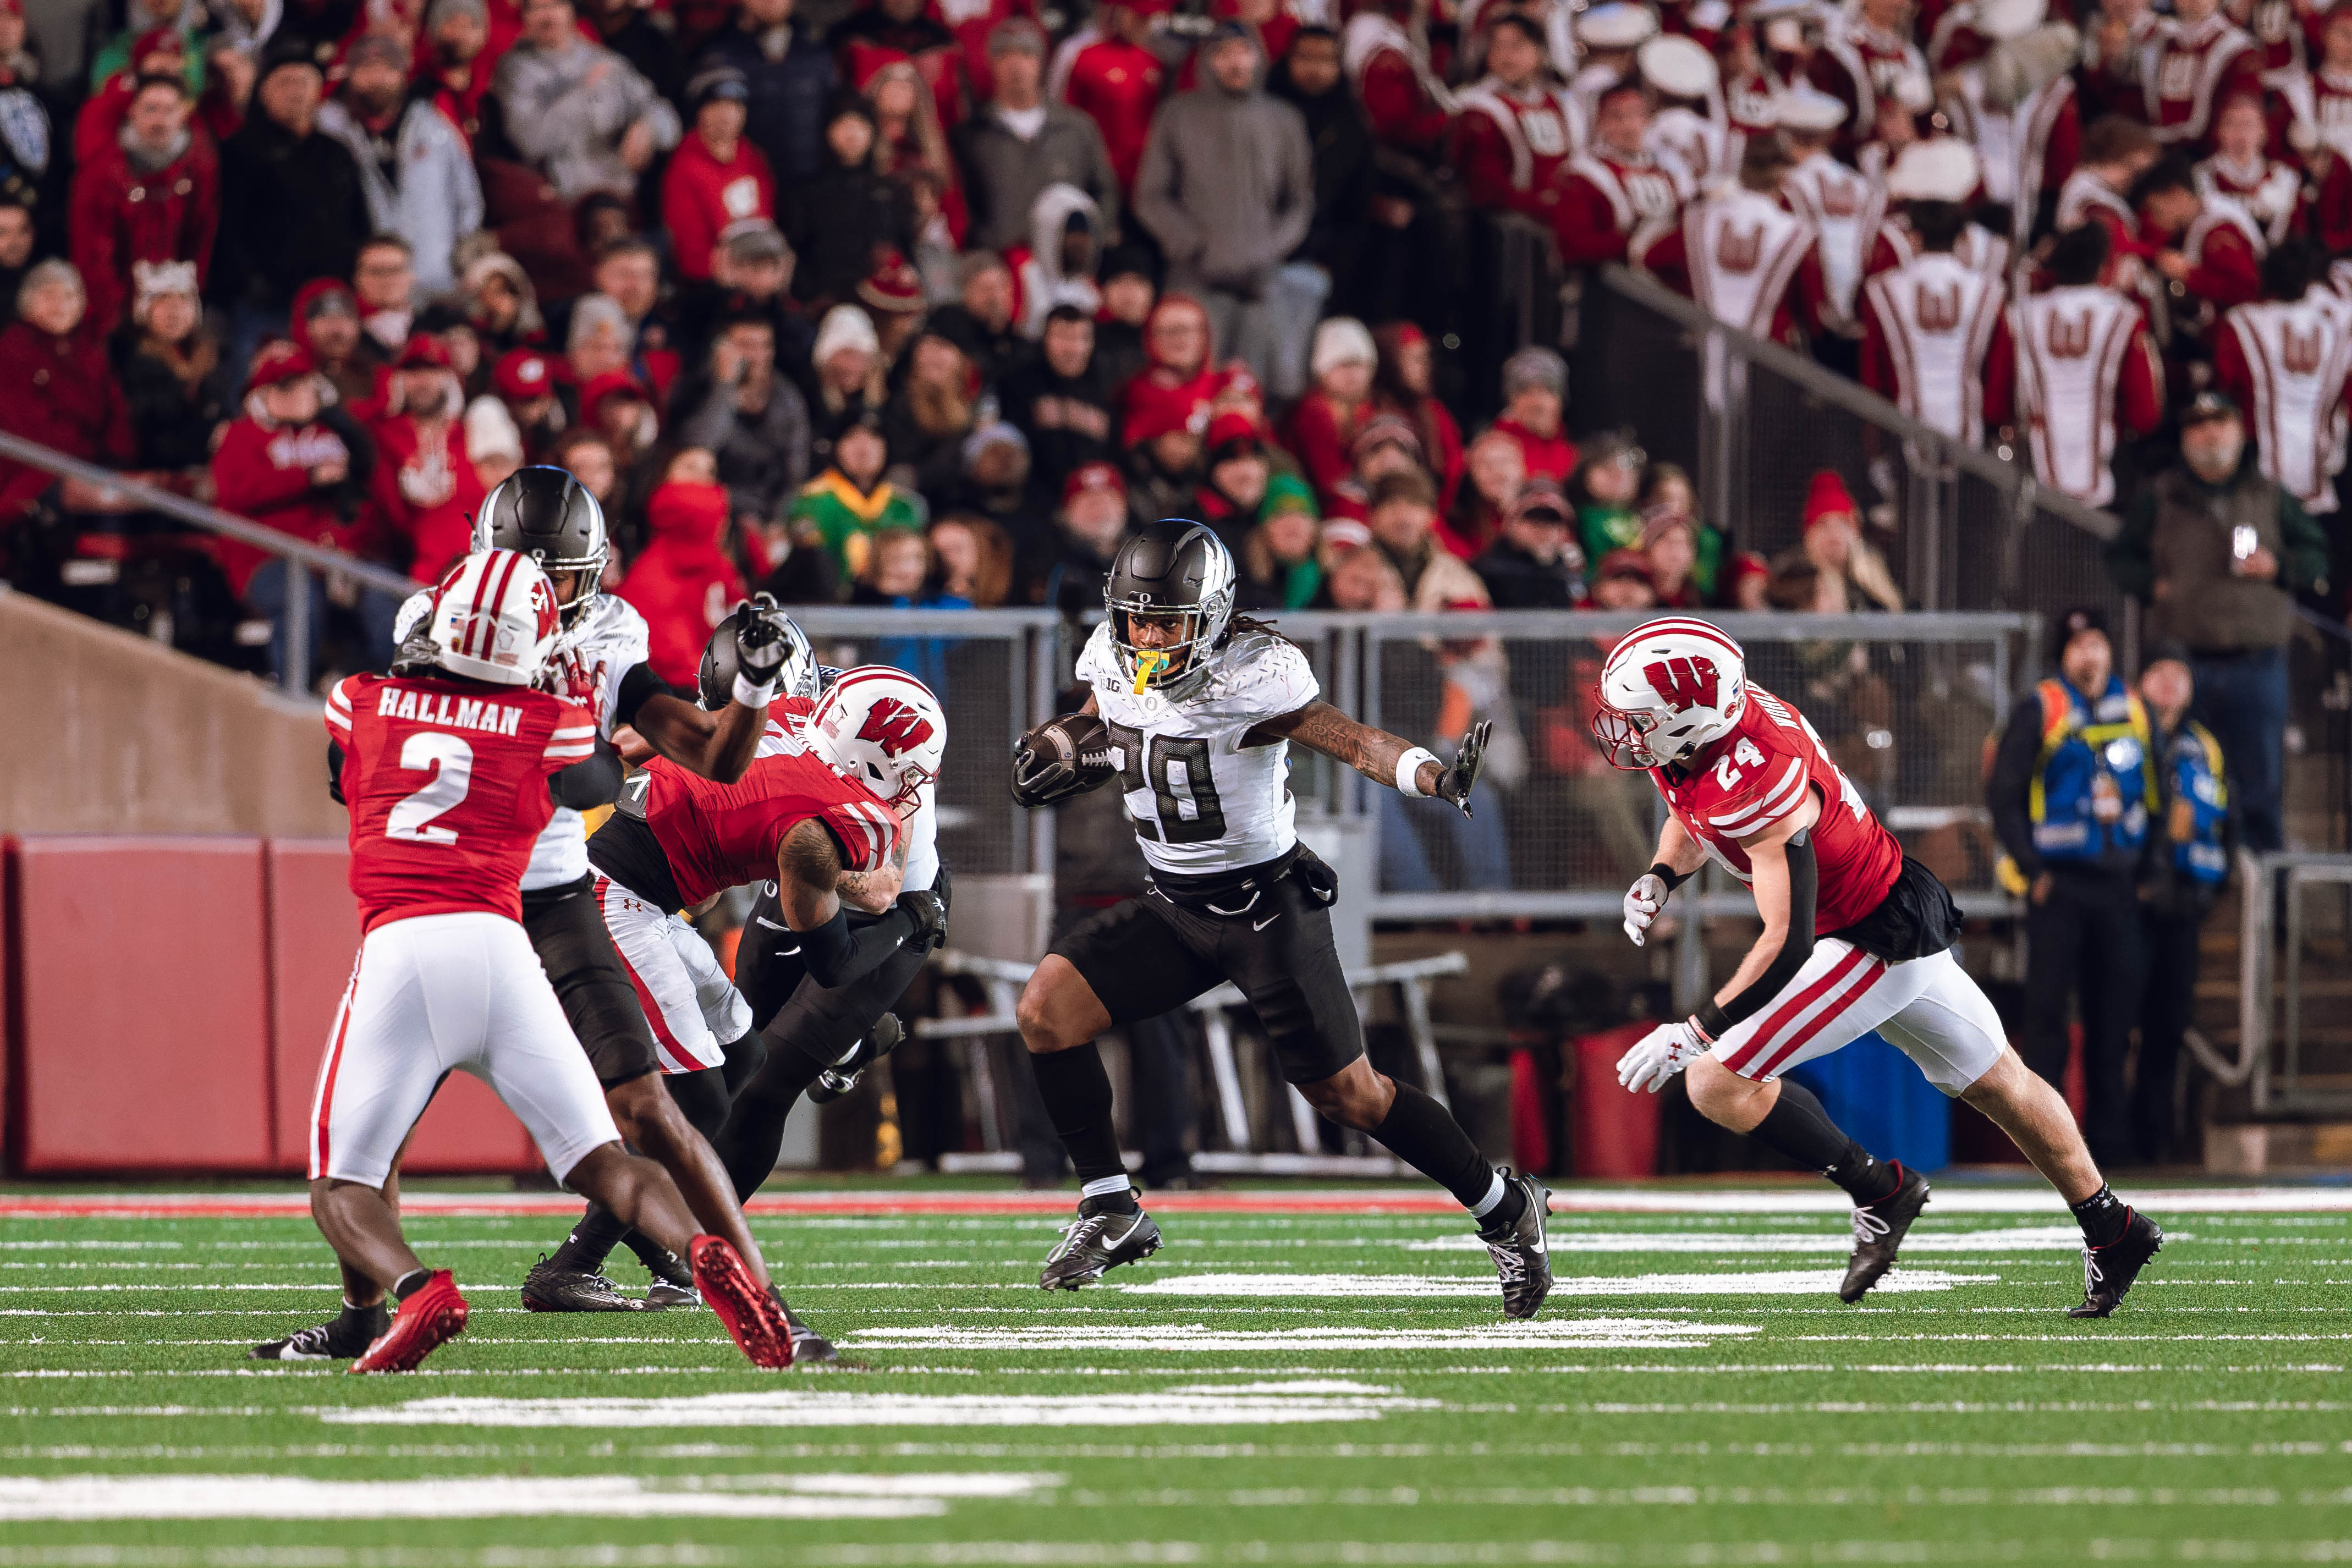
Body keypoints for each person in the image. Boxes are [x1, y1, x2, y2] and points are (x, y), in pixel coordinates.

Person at [1007, 520, 1553, 1317]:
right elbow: (1104, 717)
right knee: (1046, 1011)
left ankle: (1504, 1204)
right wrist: (1062, 741)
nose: (1150, 635)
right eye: (1138, 617)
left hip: (1267, 905)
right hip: (1175, 901)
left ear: (1216, 613)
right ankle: (1110, 1206)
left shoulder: (1257, 675)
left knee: (1351, 1094)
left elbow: (1355, 741)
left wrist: (1431, 776)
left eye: (1169, 620)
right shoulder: (1109, 651)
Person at [270, 548, 796, 1374]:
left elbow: (345, 769)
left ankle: (413, 1290)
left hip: (406, 942)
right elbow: (592, 778)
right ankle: (702, 1253)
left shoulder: (359, 699)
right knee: (612, 1160)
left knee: (343, 1181)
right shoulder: (550, 721)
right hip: (506, 947)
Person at [1608, 617, 2165, 1317]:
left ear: (1687, 718)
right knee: (2001, 1083)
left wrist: (1696, 1028)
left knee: (1714, 1079)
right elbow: (1693, 814)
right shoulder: (1705, 735)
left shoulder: (1759, 772)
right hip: (1887, 904)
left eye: (1638, 719)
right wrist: (1661, 875)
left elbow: (1786, 941)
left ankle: (1879, 1187)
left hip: (1867, 935)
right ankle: (2112, 1227)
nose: (1627, 734)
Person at [550, 663, 946, 1298]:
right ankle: (573, 1263)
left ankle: (646, 1242)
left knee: (745, 1053)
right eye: (909, 769)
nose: (914, 787)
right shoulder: (819, 827)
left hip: (647, 896)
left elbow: (648, 742)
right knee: (700, 1102)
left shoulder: (791, 714)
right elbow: (834, 965)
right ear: (875, 763)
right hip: (618, 900)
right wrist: (910, 921)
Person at [2107, 390, 2329, 854]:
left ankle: (2269, 901)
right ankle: (2183, 887)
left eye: (2220, 422)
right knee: (2176, 777)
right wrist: (2152, 585)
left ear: (2240, 431)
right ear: (2185, 438)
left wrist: (2281, 567)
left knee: (2262, 786)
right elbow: (2119, 556)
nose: (2210, 433)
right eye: (2198, 425)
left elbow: (2317, 554)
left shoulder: (2268, 493)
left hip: (2257, 663)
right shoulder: (2161, 494)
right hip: (2184, 665)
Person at [1985, 606, 2154, 1165]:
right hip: (2058, 888)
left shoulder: (2133, 708)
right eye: (2079, 644)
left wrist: (2146, 871)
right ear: (2063, 654)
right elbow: (2003, 794)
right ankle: (2046, 1148)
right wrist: (2033, 870)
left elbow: (2154, 795)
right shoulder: (2042, 706)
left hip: (2117, 886)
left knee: (2115, 1020)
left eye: (2098, 642)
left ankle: (2112, 1146)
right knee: (2047, 1020)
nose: (2091, 654)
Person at [1131, 20, 1314, 390]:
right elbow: (1150, 195)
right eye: (1223, 54)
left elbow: (1299, 202)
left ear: (1257, 56)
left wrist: (1271, 247)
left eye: (1242, 52)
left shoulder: (1284, 120)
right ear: (1207, 62)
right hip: (1195, 278)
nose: (1235, 63)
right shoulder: (1178, 115)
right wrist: (1190, 242)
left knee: (1253, 388)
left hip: (1260, 282)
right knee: (1188, 383)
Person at [212, 41, 369, 378]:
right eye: (285, 83)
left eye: (304, 82)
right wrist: (249, 281)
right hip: (266, 303)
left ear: (319, 91)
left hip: (331, 300)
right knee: (258, 382)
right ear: (264, 92)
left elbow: (360, 222)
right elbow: (224, 227)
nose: (296, 91)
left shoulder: (337, 153)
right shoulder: (238, 152)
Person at [2133, 639, 2230, 1165]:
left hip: (2183, 906)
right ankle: (2107, 1140)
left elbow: (2222, 820)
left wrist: (2208, 885)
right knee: (2116, 1024)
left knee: (2170, 1024)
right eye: (2158, 671)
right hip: (2128, 906)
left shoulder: (2204, 745)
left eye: (2179, 673)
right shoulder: (2123, 733)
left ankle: (2158, 1139)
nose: (2169, 683)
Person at [2010, 223, 2166, 508]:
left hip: (2032, 459)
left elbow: (2001, 397)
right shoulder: (2124, 315)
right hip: (2106, 462)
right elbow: (2144, 414)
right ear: (2103, 265)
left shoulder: (2023, 312)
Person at [316, 33, 482, 300]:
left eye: (387, 69)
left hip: (436, 280)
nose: (377, 79)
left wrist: (463, 258)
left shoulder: (433, 125)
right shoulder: (330, 128)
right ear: (350, 74)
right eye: (366, 69)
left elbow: (467, 195)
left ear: (403, 74)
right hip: (365, 288)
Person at [68, 71, 216, 335]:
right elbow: (92, 256)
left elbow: (202, 238)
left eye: (169, 110)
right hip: (118, 319)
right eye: (151, 109)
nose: (159, 120)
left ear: (183, 115)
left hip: (177, 317)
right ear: (133, 112)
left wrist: (181, 306)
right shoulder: (101, 173)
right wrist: (117, 320)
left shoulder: (199, 169)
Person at [954, 18, 1119, 256]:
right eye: (1005, 55)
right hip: (1000, 269)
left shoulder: (1077, 128)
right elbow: (963, 208)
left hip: (1065, 267)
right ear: (991, 63)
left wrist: (1090, 245)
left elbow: (1105, 192)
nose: (1016, 64)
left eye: (1026, 54)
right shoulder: (971, 134)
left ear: (1041, 62)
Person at [2214, 240, 2350, 519]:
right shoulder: (2335, 329)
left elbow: (2225, 387)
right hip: (2320, 467)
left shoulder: (2242, 321)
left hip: (2254, 465)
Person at [496, 0, 679, 202]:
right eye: (536, 8)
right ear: (525, 17)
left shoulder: (606, 62)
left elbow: (669, 122)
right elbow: (531, 142)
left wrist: (648, 127)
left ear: (572, 11)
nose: (547, 16)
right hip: (561, 200)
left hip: (620, 195)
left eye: (555, 5)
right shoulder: (514, 71)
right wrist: (582, 94)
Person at [671, 309, 811, 531]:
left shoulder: (787, 398)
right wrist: (725, 387)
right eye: (746, 346)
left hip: (766, 516)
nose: (758, 356)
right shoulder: (696, 389)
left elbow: (795, 471)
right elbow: (699, 451)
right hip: (709, 513)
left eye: (765, 346)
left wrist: (775, 524)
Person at [617, 452, 746, 689]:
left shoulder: (717, 565)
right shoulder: (655, 580)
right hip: (685, 697)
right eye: (690, 467)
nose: (701, 478)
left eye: (710, 472)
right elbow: (673, 662)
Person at [692, 0, 838, 188]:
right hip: (742, 184)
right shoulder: (719, 54)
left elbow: (834, 113)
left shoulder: (816, 54)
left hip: (809, 183)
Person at [662, 68, 776, 286]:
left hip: (761, 275)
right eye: (717, 105)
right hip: (712, 284)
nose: (727, 114)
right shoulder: (684, 167)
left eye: (736, 106)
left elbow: (767, 222)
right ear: (700, 112)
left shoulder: (755, 159)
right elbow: (690, 252)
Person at [1000, 302, 1115, 514]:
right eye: (1062, 337)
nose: (1072, 348)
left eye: (1082, 338)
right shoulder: (1018, 384)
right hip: (1034, 507)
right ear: (1045, 340)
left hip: (1094, 504)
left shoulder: (1107, 389)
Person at [1474, 476, 1586, 608]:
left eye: (1553, 521)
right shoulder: (1486, 573)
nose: (1542, 530)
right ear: (1510, 523)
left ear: (1565, 531)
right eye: (1532, 519)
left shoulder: (1573, 571)